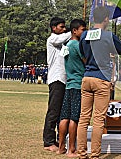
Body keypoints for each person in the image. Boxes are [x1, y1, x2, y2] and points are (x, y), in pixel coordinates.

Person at [77, 6, 121, 159]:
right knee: (99, 119)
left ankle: (81, 153)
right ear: (106, 19)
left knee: (83, 117)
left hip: (87, 78)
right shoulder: (108, 36)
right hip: (102, 79)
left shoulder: (84, 35)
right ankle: (94, 155)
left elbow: (82, 53)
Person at [57, 19, 87, 157]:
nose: (84, 32)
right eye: (82, 29)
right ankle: (71, 149)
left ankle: (61, 147)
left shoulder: (67, 45)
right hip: (77, 84)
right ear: (74, 31)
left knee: (64, 117)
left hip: (69, 84)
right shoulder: (77, 45)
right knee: (74, 118)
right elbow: (85, 61)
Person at [43, 17, 71, 152]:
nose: (64, 29)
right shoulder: (53, 39)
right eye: (61, 27)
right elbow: (63, 38)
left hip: (64, 79)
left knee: (61, 112)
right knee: (53, 111)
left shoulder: (64, 43)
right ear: (54, 28)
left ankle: (59, 140)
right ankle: (48, 141)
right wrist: (74, 30)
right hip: (56, 79)